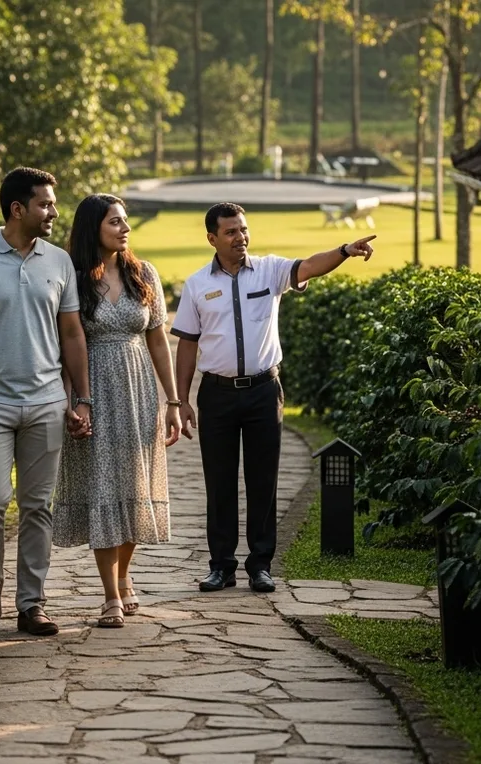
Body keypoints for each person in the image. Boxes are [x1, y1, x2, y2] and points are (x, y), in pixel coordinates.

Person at [171, 202, 375, 594]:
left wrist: (345, 250)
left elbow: (310, 266)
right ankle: (221, 566)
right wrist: (181, 400)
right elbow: (187, 345)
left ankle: (260, 565)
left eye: (244, 229)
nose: (241, 237)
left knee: (263, 480)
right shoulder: (197, 284)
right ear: (212, 238)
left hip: (265, 392)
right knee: (220, 482)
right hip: (217, 395)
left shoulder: (270, 270)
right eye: (231, 232)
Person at [0, 167, 92, 637]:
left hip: (46, 400)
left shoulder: (59, 261)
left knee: (37, 506)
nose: (54, 211)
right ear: (17, 209)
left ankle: (32, 603)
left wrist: (81, 398)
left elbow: (71, 332)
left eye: (54, 203)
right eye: (45, 204)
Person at [51, 194, 183, 628]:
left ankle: (124, 576)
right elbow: (64, 343)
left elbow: (158, 339)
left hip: (139, 390)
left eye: (126, 222)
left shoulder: (143, 273)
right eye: (114, 222)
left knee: (133, 488)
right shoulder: (71, 278)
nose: (124, 229)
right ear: (93, 228)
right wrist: (72, 402)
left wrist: (173, 401)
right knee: (101, 489)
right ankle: (110, 594)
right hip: (93, 390)